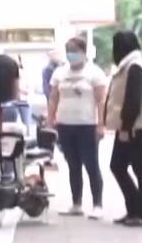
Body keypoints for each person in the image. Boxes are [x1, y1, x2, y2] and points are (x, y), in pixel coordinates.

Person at [104, 30, 142, 226]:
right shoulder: (130, 65)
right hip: (131, 125)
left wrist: (126, 127)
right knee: (122, 167)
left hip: (136, 126)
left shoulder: (135, 67)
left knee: (136, 168)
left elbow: (133, 99)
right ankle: (136, 210)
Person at [46, 36, 109, 218]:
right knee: (73, 165)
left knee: (91, 164)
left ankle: (97, 204)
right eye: (68, 51)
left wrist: (101, 124)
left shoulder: (95, 73)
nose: (71, 55)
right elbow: (53, 98)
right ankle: (76, 203)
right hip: (65, 124)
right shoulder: (59, 73)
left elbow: (101, 101)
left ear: (83, 52)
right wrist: (50, 119)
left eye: (74, 51)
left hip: (87, 124)